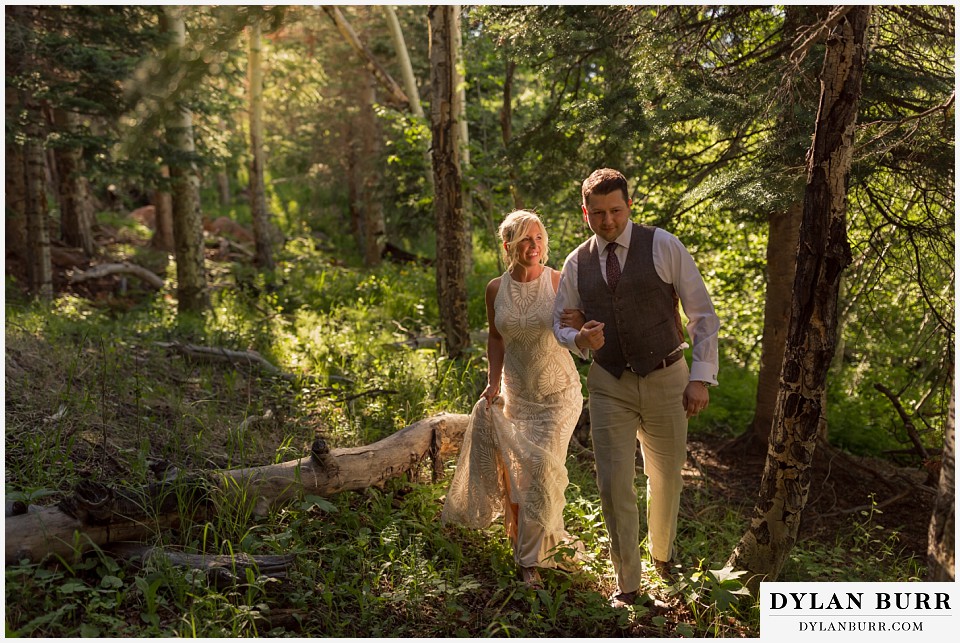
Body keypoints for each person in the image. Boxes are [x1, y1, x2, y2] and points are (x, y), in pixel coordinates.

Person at [552, 168, 719, 608]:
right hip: (609, 382)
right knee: (612, 482)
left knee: (665, 477)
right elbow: (560, 322)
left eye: (616, 210)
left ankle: (662, 555)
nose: (608, 221)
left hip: (667, 376)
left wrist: (701, 376)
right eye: (599, 213)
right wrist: (578, 339)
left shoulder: (663, 245)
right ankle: (628, 582)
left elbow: (702, 314)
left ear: (629, 205)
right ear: (585, 212)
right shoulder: (576, 262)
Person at [442, 210, 585, 589]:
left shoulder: (558, 281)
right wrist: (492, 383)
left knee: (540, 470)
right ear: (508, 246)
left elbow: (577, 326)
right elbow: (495, 337)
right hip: (516, 394)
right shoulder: (495, 288)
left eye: (538, 238)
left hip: (558, 395)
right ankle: (534, 544)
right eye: (524, 239)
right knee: (520, 477)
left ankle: (528, 563)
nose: (533, 246)